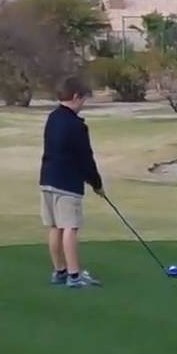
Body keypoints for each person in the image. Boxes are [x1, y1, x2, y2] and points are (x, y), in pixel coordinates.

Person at [39, 76, 103, 288]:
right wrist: (96, 183)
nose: (84, 104)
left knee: (55, 226)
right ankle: (74, 276)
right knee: (70, 227)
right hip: (67, 183)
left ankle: (60, 271)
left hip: (47, 179)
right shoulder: (76, 125)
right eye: (83, 100)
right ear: (75, 97)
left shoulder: (53, 117)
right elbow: (85, 158)